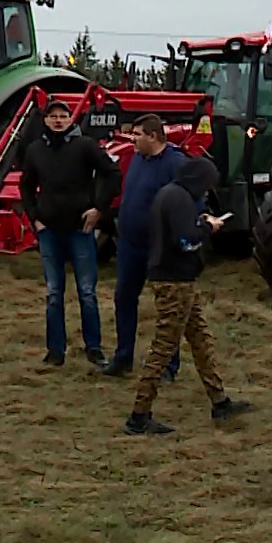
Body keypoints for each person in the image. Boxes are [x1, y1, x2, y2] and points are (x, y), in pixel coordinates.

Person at [125, 157, 254, 436]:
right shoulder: (180, 199)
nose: (207, 193)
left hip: (176, 280)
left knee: (201, 340)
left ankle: (219, 401)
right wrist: (209, 228)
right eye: (207, 186)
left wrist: (200, 221)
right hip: (176, 283)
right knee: (163, 348)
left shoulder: (169, 194)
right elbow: (186, 241)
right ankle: (138, 416)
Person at [20, 99, 119, 368]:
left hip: (80, 231)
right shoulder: (35, 151)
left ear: (71, 119)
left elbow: (112, 173)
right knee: (54, 294)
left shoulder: (85, 146)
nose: (58, 120)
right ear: (46, 120)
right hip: (49, 232)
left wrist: (99, 209)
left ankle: (94, 348)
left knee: (87, 292)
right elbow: (25, 187)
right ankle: (55, 351)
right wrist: (35, 220)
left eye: (63, 115)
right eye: (53, 116)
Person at [100, 114, 186, 380]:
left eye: (137, 135)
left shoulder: (176, 163)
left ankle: (168, 366)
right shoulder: (138, 159)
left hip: (159, 248)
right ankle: (123, 357)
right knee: (124, 299)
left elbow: (186, 202)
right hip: (129, 245)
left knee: (166, 307)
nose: (132, 140)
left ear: (153, 135)